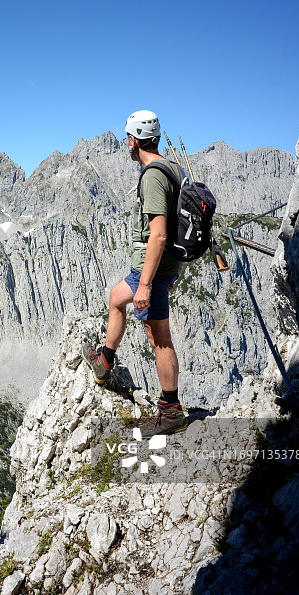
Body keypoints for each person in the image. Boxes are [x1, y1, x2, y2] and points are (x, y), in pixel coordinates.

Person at [81, 109, 188, 437]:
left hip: (151, 271)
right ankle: (104, 362)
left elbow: (159, 234)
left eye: (127, 138)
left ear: (133, 140)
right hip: (158, 269)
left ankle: (171, 411)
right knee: (116, 298)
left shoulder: (153, 176)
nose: (126, 143)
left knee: (159, 340)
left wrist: (146, 284)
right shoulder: (172, 167)